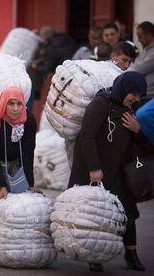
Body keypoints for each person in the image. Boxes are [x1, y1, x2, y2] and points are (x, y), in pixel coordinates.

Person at [68, 71, 148, 272]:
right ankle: (95, 256)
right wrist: (94, 168)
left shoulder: (133, 108)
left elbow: (143, 144)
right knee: (96, 213)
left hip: (119, 170)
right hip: (94, 168)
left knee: (128, 212)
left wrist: (137, 129)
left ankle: (131, 254)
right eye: (134, 94)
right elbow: (87, 138)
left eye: (139, 95)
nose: (136, 98)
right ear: (124, 89)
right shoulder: (101, 104)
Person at [0, 86, 40, 208]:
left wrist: (29, 183)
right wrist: (1, 186)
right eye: (11, 104)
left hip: (15, 164)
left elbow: (28, 153)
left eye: (19, 104)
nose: (16, 109)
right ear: (3, 103)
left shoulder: (28, 120)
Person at [130, 21, 154, 101]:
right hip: (143, 95)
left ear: (149, 35)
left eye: (140, 37)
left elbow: (137, 69)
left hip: (150, 96)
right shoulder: (146, 50)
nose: (138, 40)